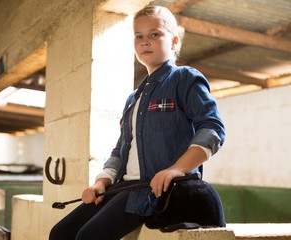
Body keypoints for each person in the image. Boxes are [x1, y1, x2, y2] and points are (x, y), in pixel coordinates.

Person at [49, 5, 225, 240]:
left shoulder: (185, 79)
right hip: (122, 187)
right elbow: (121, 148)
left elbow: (212, 128)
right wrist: (101, 181)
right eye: (138, 36)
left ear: (173, 41)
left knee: (88, 237)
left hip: (153, 191)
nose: (145, 42)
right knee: (60, 233)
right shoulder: (133, 98)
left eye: (154, 34)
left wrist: (176, 169)